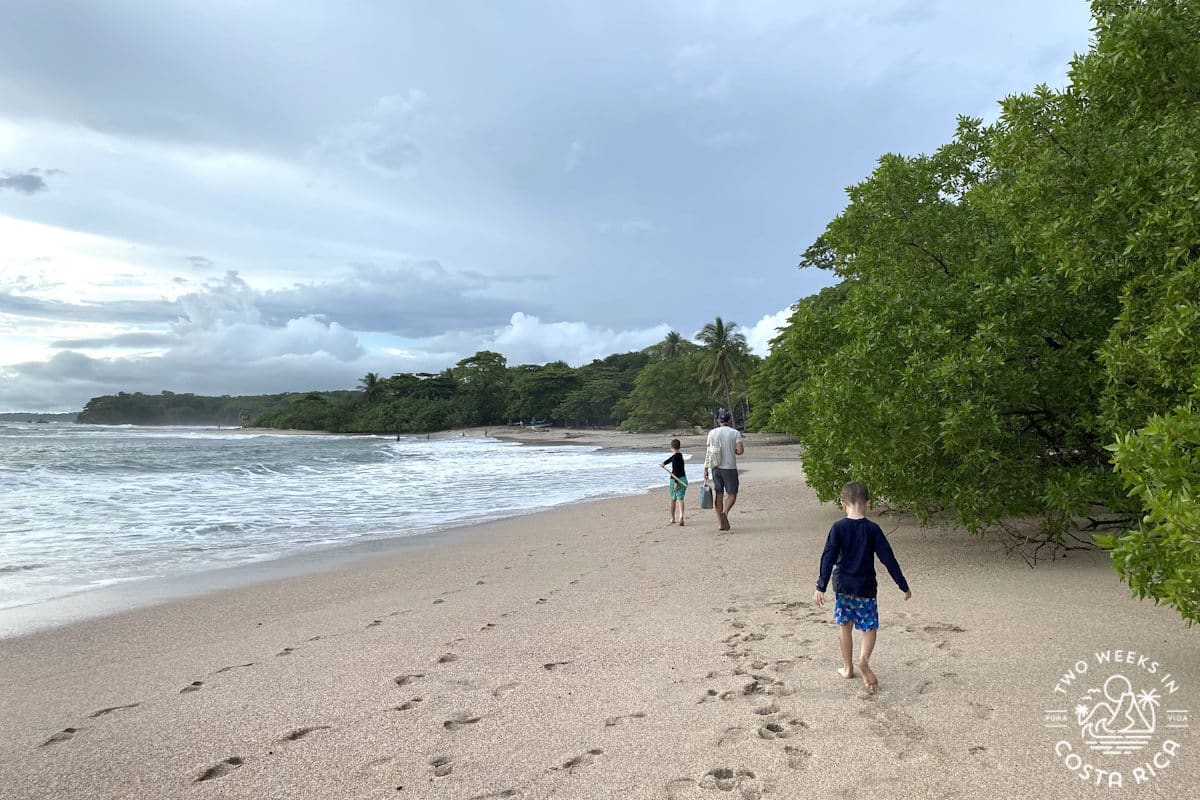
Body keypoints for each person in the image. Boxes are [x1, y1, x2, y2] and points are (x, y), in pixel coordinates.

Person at [812, 481, 911, 692]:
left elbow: (828, 557)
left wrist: (820, 585)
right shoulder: (873, 529)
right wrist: (903, 585)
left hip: (843, 586)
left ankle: (848, 669)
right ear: (867, 503)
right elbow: (888, 559)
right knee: (869, 627)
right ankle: (863, 659)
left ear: (843, 504)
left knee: (845, 626)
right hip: (865, 587)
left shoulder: (838, 528)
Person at [703, 411, 744, 531]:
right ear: (729, 421)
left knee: (719, 493)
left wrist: (705, 468)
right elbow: (740, 451)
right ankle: (725, 512)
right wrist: (734, 451)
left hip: (715, 466)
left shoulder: (712, 433)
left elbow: (709, 452)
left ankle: (720, 523)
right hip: (729, 467)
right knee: (732, 493)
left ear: (718, 421)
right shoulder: (735, 433)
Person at [660, 438, 688, 526]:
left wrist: (676, 482)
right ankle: (681, 515)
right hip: (683, 478)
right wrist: (664, 463)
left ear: (672, 447)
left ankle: (673, 518)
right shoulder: (679, 455)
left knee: (673, 498)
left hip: (676, 479)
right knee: (680, 498)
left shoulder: (675, 457)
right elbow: (670, 459)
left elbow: (676, 470)